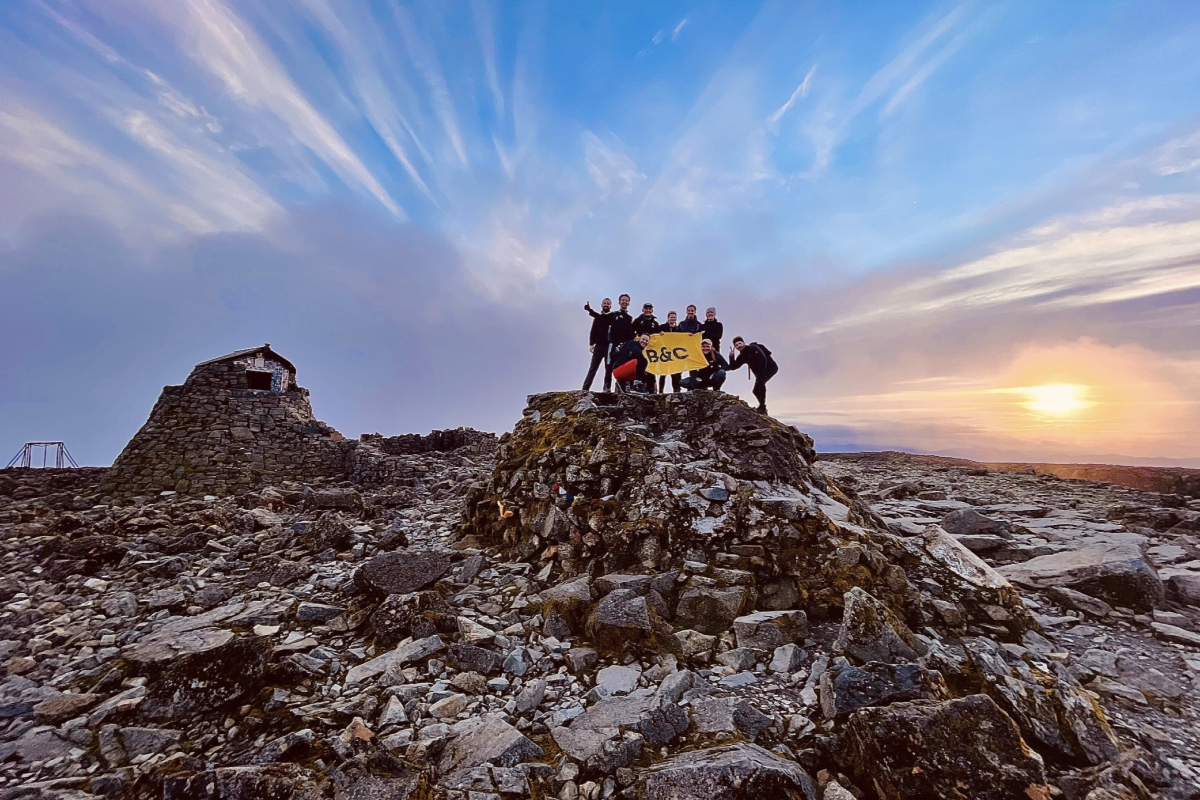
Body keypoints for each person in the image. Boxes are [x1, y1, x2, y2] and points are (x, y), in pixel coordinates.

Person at [727, 336, 779, 414]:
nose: (738, 346)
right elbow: (733, 367)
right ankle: (763, 407)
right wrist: (731, 357)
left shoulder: (753, 348)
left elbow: (763, 360)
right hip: (760, 373)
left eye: (740, 343)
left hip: (771, 368)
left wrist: (760, 375)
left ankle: (762, 408)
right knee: (755, 391)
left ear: (744, 343)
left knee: (761, 383)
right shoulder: (742, 356)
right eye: (736, 345)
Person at [582, 298, 615, 392]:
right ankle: (585, 389)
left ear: (610, 306)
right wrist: (591, 344)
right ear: (601, 305)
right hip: (598, 346)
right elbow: (593, 331)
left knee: (608, 368)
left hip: (608, 347)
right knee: (593, 368)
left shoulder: (612, 317)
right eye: (604, 303)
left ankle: (606, 388)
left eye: (608, 304)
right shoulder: (598, 318)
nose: (606, 305)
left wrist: (590, 310)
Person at [607, 294, 635, 375]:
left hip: (624, 345)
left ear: (629, 303)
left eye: (626, 300)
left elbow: (631, 332)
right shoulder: (614, 314)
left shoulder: (630, 318)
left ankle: (619, 386)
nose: (624, 302)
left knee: (622, 365)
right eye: (623, 300)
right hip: (613, 344)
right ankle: (607, 385)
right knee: (610, 365)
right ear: (619, 302)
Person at [658, 310, 684, 393]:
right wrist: (660, 333)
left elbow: (683, 338)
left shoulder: (678, 329)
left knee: (675, 373)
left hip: (674, 354)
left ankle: (676, 390)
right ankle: (661, 390)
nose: (672, 319)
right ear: (668, 318)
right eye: (671, 317)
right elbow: (656, 335)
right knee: (663, 373)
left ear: (676, 319)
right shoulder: (662, 327)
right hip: (664, 353)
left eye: (674, 317)